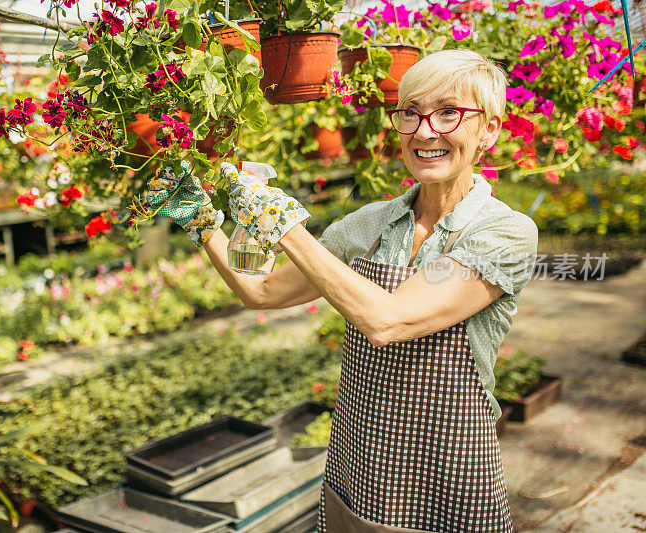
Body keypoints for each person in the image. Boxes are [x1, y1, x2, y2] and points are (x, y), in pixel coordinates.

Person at [146, 48, 538, 532]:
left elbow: (389, 320)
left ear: (490, 130)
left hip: (448, 467)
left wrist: (288, 228)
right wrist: (202, 220)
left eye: (449, 113)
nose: (425, 130)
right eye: (409, 112)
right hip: (361, 457)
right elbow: (263, 292)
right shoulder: (369, 225)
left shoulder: (504, 234)